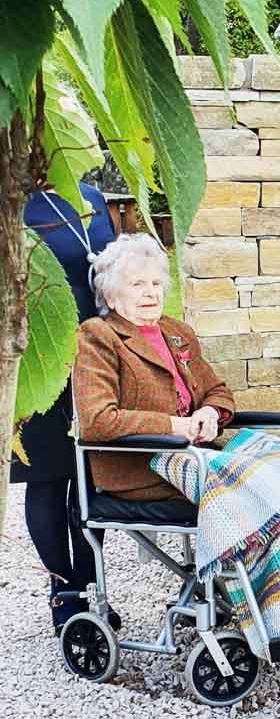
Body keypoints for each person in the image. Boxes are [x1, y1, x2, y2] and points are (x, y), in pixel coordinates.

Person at [73, 234, 280, 653]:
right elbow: (97, 420)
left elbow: (217, 392)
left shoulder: (175, 332)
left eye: (155, 283)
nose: (150, 293)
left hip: (197, 453)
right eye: (137, 285)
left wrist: (209, 413)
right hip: (143, 462)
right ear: (112, 295)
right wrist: (175, 425)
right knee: (258, 488)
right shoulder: (99, 337)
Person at [11, 183, 118, 636]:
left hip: (96, 355)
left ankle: (92, 585)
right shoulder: (12, 196)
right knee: (48, 476)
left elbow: (113, 271)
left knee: (93, 475)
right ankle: (64, 590)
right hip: (38, 356)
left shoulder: (91, 197)